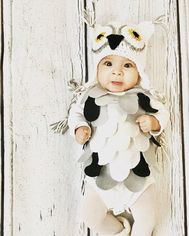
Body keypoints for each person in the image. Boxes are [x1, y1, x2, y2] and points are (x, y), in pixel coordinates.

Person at [68, 21, 169, 236]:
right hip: (101, 174)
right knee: (90, 216)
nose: (117, 73)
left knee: (148, 217)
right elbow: (75, 113)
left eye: (127, 66)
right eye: (108, 64)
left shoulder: (143, 97)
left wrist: (154, 123)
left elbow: (162, 113)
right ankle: (118, 232)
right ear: (96, 68)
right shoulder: (89, 97)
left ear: (139, 70)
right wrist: (80, 127)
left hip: (138, 175)